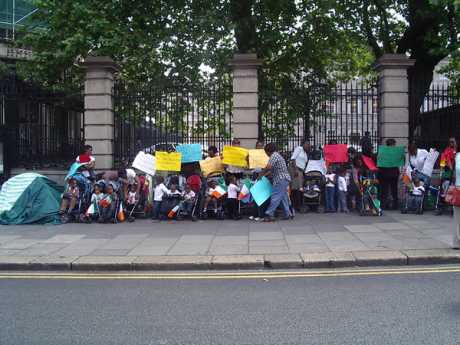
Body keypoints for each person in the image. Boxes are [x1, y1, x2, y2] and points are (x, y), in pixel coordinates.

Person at [260, 143, 292, 221]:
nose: (266, 154)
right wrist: (264, 175)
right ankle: (287, 214)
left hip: (280, 179)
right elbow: (272, 170)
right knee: (283, 197)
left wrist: (261, 175)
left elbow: (268, 167)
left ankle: (269, 214)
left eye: (266, 152)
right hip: (283, 179)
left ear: (268, 151)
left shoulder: (274, 156)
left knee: (275, 196)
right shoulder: (277, 155)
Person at [378, 138, 400, 210]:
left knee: (385, 190)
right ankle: (395, 205)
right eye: (394, 144)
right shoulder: (396, 152)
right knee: (394, 190)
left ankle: (384, 205)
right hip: (393, 173)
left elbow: (379, 162)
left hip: (385, 173)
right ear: (393, 144)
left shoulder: (383, 152)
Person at [289, 141, 311, 211]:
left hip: (301, 171)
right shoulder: (299, 149)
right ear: (303, 144)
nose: (308, 146)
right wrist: (295, 170)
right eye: (307, 144)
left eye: (309, 145)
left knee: (299, 188)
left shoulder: (305, 153)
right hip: (295, 169)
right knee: (295, 188)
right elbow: (293, 159)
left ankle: (297, 205)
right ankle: (294, 205)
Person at [452, 151, 460, 249]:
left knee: (457, 218)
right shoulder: (457, 156)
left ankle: (456, 242)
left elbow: (454, 173)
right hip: (458, 188)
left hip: (458, 188)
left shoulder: (457, 156)